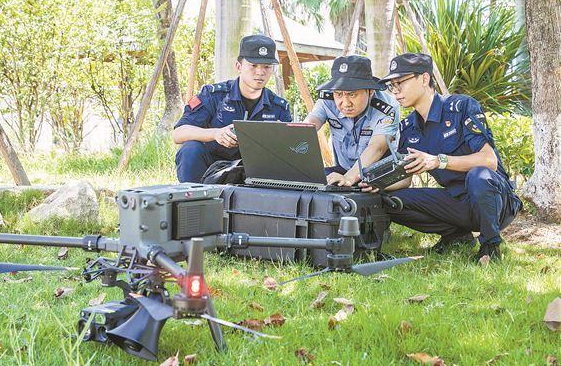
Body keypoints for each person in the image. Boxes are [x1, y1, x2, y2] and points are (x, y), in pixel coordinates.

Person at [375, 52, 522, 261]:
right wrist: (374, 185)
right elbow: (405, 179)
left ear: (424, 78)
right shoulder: (408, 129)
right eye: (392, 85)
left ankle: (490, 246)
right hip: (457, 200)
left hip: (495, 201)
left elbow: (489, 161)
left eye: (401, 82)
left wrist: (438, 161)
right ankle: (457, 235)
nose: (396, 91)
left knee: (478, 176)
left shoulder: (461, 108)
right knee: (389, 201)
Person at [173, 34, 292, 183]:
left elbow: (289, 151)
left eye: (266, 67)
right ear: (239, 66)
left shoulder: (278, 107)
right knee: (190, 149)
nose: (260, 72)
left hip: (253, 173)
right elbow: (179, 133)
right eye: (253, 65)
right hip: (211, 169)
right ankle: (191, 196)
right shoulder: (214, 95)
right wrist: (215, 133)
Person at [304, 55, 400, 186]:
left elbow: (377, 147)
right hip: (343, 170)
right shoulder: (327, 100)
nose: (345, 103)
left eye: (352, 94)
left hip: (379, 176)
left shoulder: (387, 108)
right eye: (339, 94)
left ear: (370, 91)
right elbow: (307, 128)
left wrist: (348, 178)